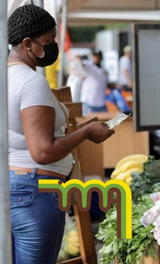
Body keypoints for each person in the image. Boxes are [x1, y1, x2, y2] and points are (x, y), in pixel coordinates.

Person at [7, 5, 114, 263]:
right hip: (35, 194)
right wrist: (86, 132)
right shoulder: (31, 83)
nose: (54, 45)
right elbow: (43, 151)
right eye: (49, 40)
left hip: (11, 188)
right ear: (28, 44)